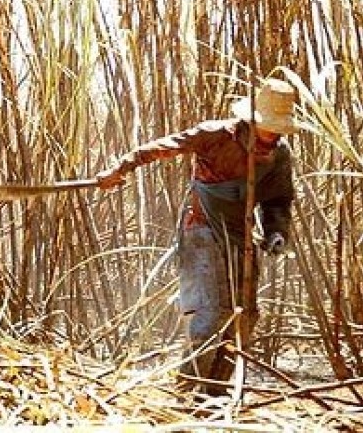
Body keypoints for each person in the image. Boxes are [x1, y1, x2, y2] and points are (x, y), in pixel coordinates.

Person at [95, 77, 299, 395]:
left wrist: (276, 233)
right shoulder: (217, 135)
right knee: (211, 313)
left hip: (240, 236)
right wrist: (121, 168)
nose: (271, 134)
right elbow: (166, 146)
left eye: (278, 128)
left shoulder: (278, 155)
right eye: (267, 126)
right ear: (252, 118)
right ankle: (186, 391)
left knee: (244, 318)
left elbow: (278, 200)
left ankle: (213, 395)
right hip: (201, 229)